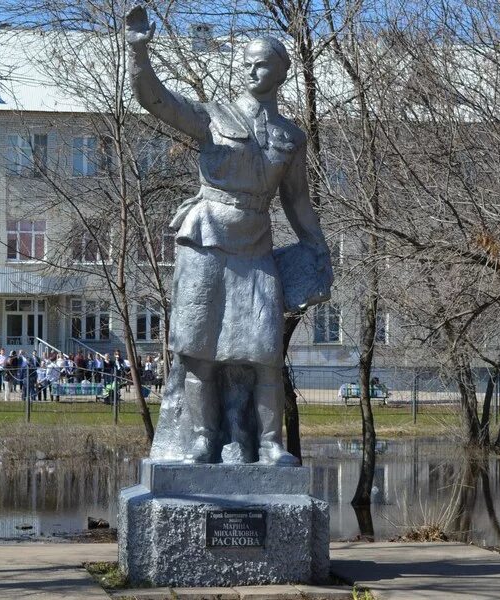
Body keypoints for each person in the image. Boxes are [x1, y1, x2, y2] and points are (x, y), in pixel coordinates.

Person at [126, 7, 332, 464]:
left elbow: (297, 202)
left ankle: (272, 443)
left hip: (255, 246)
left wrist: (318, 248)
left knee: (263, 351)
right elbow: (155, 99)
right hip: (206, 239)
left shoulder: (290, 137)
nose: (251, 70)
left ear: (281, 72)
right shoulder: (213, 116)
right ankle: (202, 437)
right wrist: (140, 52)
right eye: (247, 63)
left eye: (262, 63)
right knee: (198, 348)